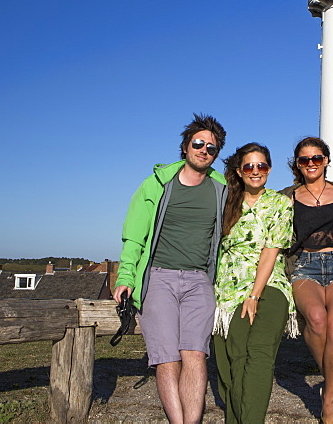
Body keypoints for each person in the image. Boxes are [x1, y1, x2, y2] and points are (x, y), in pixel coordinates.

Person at [113, 114, 228, 424]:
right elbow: (134, 234)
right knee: (166, 359)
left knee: (195, 355)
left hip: (199, 281)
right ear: (185, 146)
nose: (205, 150)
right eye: (199, 144)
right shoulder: (157, 183)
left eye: (212, 148)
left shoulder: (222, 188)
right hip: (159, 278)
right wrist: (125, 277)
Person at [212, 143, 297, 424]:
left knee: (258, 353)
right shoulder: (226, 203)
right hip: (226, 290)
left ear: (269, 169)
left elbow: (270, 252)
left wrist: (254, 295)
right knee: (230, 364)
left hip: (268, 285)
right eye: (249, 166)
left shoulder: (280, 203)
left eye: (261, 166)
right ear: (239, 171)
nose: (255, 171)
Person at [281, 136, 333, 424]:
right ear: (297, 165)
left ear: (326, 159)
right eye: (305, 160)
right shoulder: (286, 196)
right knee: (316, 319)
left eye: (317, 158)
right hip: (305, 266)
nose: (311, 164)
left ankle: (328, 401)